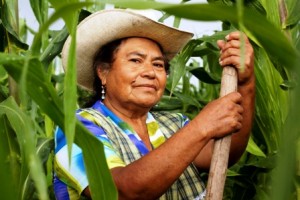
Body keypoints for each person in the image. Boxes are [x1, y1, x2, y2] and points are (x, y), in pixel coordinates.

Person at [53, 9, 255, 200]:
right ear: (103, 73)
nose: (150, 72)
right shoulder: (76, 130)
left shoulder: (174, 124)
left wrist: (245, 84)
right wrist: (202, 126)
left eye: (158, 64)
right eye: (135, 60)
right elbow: (121, 192)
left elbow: (221, 154)